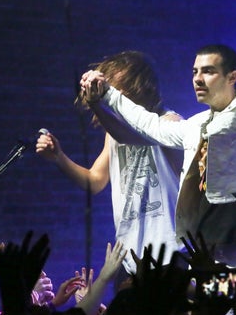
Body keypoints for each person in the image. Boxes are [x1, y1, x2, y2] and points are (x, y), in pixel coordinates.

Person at [79, 0, 236, 276]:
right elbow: (147, 124)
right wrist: (106, 93)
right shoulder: (192, 126)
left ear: (232, 76)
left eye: (208, 71)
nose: (198, 78)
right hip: (205, 255)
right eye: (195, 71)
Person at [36, 51, 182, 278]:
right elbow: (95, 181)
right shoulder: (113, 135)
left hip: (169, 252)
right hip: (128, 255)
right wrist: (59, 158)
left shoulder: (169, 123)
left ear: (138, 88)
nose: (110, 94)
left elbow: (134, 134)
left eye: (116, 88)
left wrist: (97, 104)